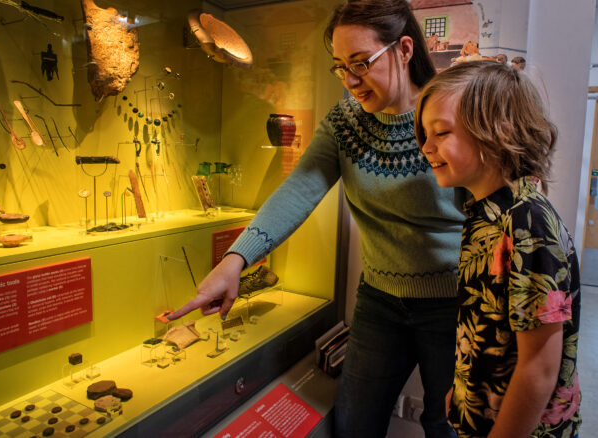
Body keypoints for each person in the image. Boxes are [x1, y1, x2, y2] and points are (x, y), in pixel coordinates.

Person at [163, 1, 466, 436]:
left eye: (361, 63)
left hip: (454, 302)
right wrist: (235, 260)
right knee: (355, 423)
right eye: (340, 66)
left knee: (451, 425)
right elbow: (298, 190)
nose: (350, 79)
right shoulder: (347, 122)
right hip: (381, 299)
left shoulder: (449, 112)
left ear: (403, 49)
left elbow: (492, 203)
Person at [415, 61, 581, 437]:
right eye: (425, 134)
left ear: (496, 133)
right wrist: (461, 393)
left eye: (440, 132)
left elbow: (538, 370)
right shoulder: (485, 213)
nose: (426, 147)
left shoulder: (526, 222)